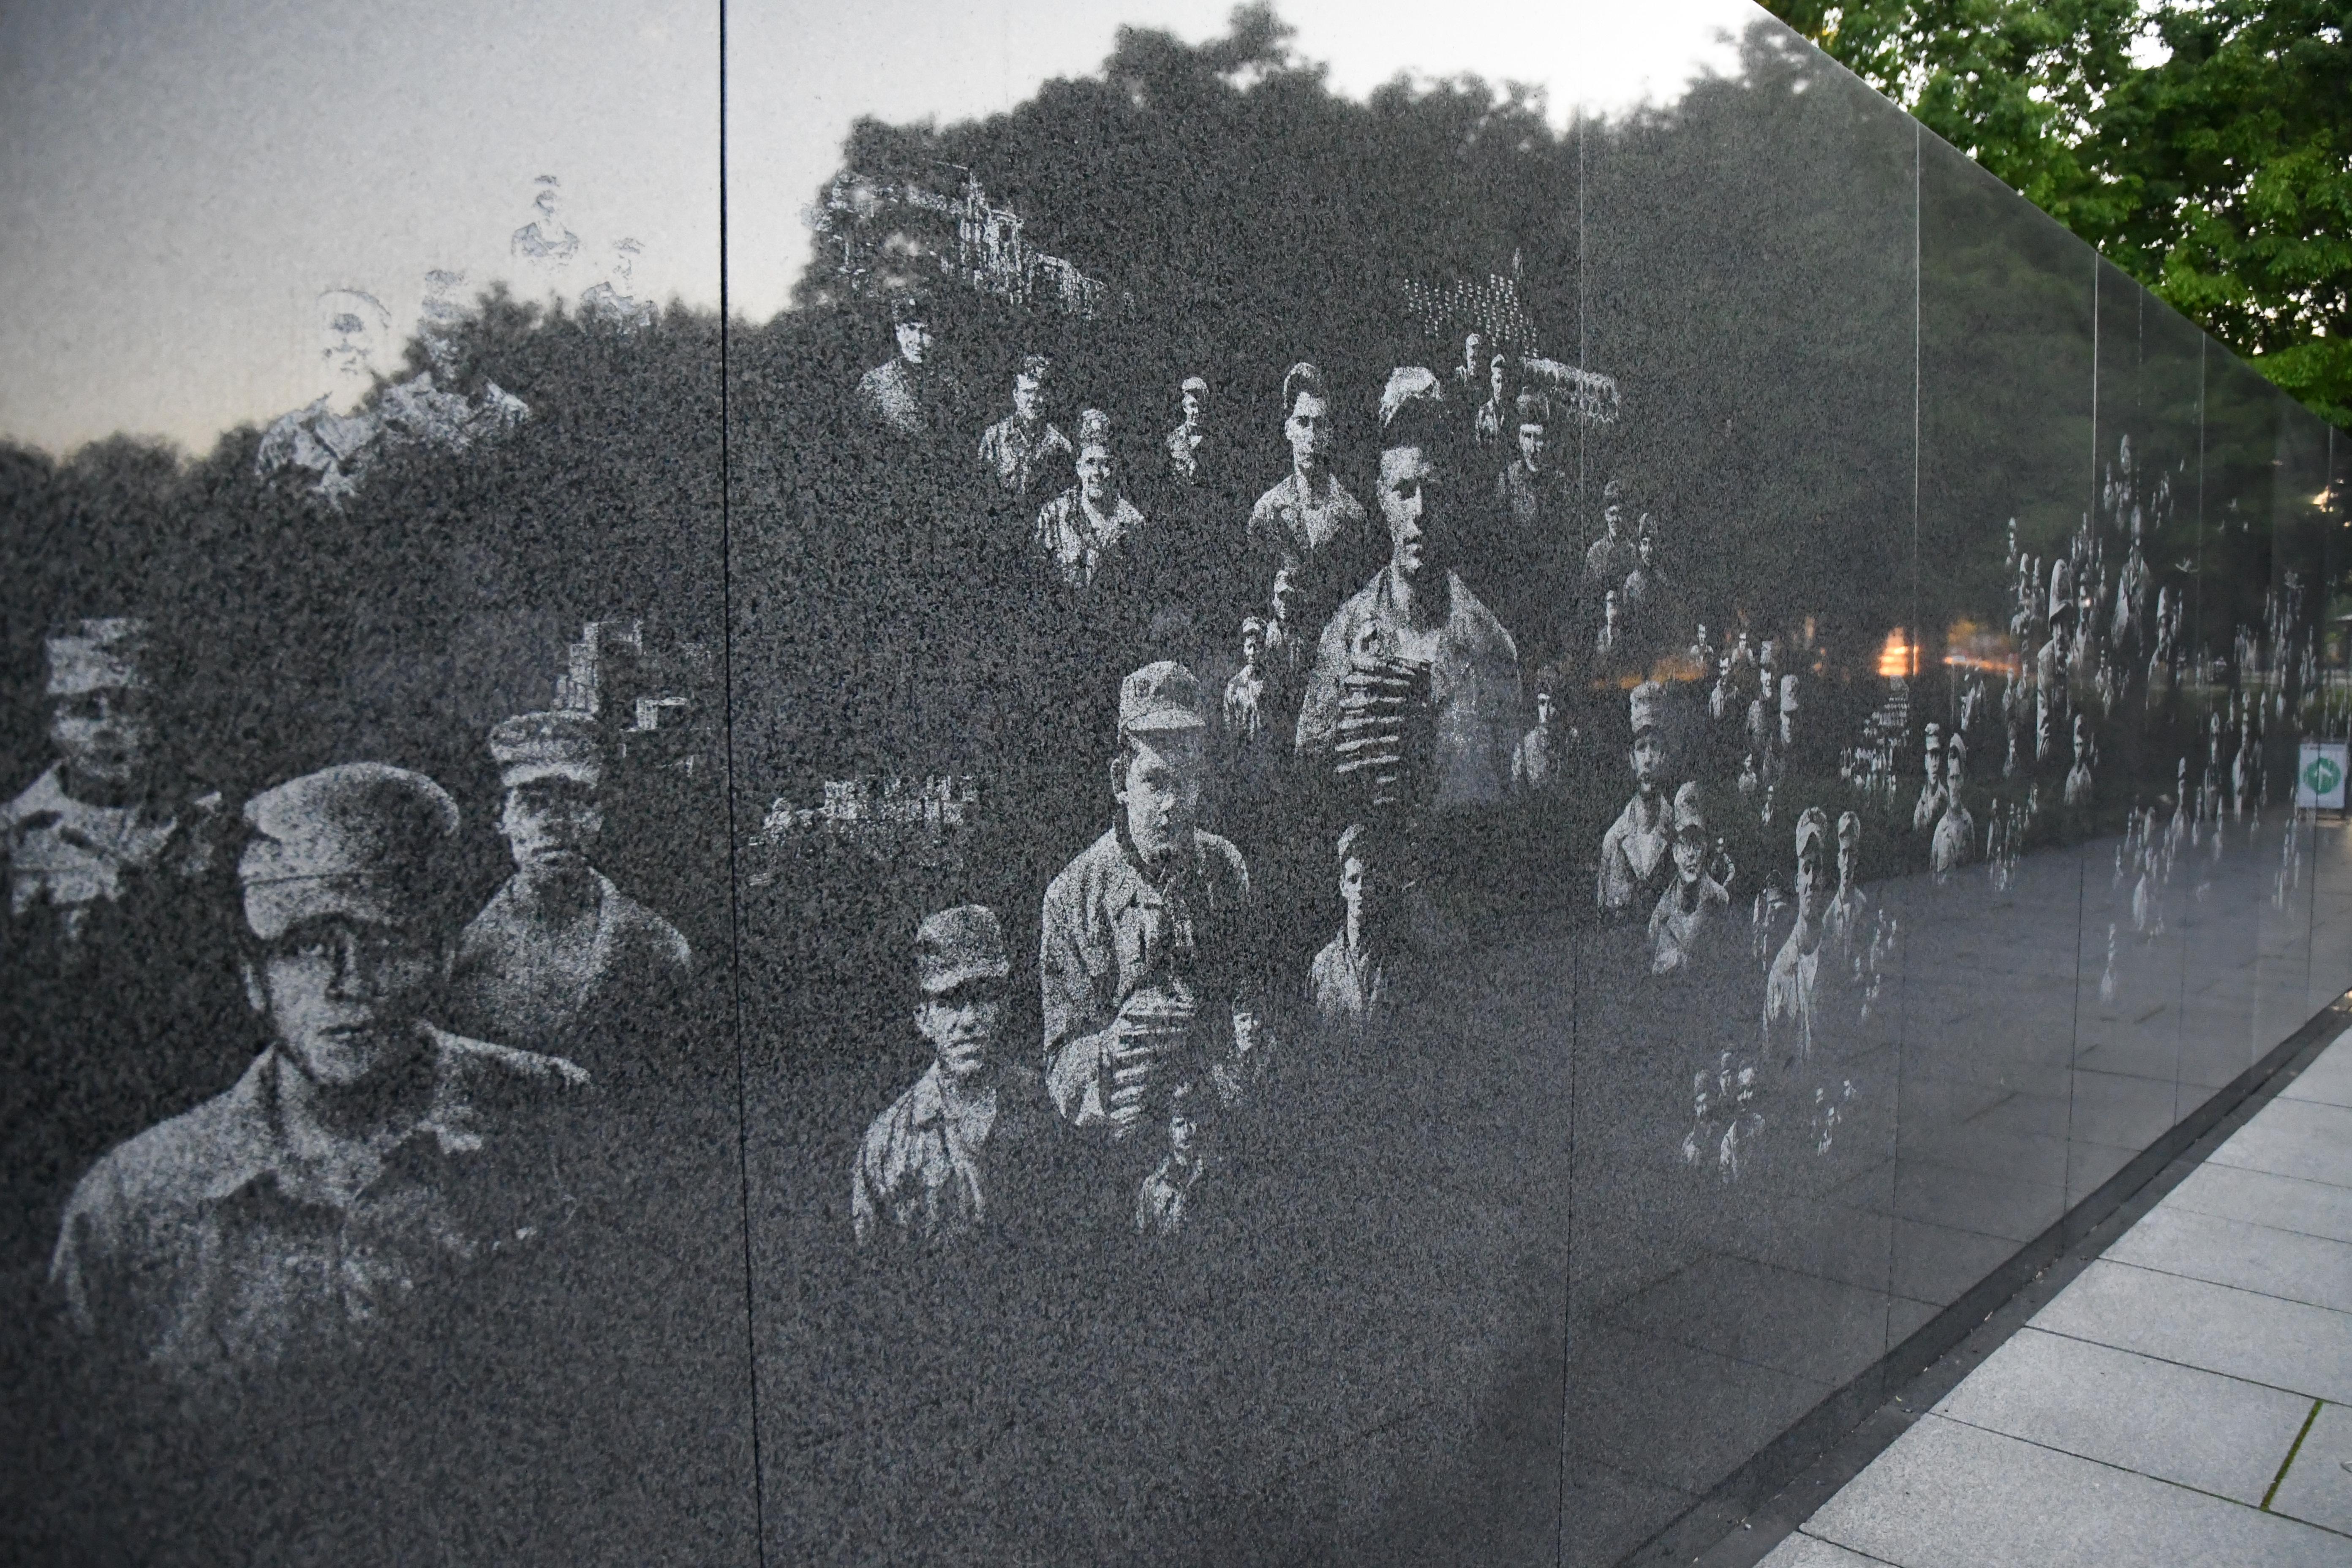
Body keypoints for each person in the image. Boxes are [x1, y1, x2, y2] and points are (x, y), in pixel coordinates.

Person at [50, 764, 589, 1385]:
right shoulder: (133, 1203)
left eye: (385, 942)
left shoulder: (554, 1115)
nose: (347, 982)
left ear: (442, 956)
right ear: (255, 978)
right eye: (305, 946)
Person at [3, 619, 240, 1274]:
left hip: (183, 1090)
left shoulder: (210, 826)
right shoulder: (18, 839)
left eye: (129, 706)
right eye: (85, 709)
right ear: (52, 722)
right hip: (52, 1106)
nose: (108, 727)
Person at [1041, 662, 1260, 1145]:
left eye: (1187, 781)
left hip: (1211, 1128)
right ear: (1121, 781)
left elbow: (1250, 1010)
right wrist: (1113, 1046)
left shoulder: (1225, 870)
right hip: (1121, 1137)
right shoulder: (1074, 894)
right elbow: (1060, 1067)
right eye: (1156, 782)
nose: (1173, 803)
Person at [1294, 367, 1521, 812]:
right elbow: (1310, 787)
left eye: (1432, 491)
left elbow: (1510, 812)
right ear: (1381, 497)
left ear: (1451, 498)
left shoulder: (1491, 646)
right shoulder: (1345, 634)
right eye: (1404, 491)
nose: (1420, 510)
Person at [443, 712, 692, 1080]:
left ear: (599, 817)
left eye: (575, 801)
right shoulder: (455, 946)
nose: (555, 821)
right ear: (502, 819)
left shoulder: (657, 945)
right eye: (533, 803)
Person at [852, 905, 1049, 1252]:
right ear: (923, 1019)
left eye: (984, 996)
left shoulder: (1047, 1109)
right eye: (950, 1002)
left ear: (1004, 1007)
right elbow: (873, 1273)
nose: (969, 1019)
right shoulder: (887, 1143)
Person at [1246, 362, 1374, 634]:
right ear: (1288, 429)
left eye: (1320, 425)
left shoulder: (1354, 518)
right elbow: (1253, 607)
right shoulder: (1266, 513)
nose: (1311, 437)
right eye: (1303, 423)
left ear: (1330, 434)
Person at [1309, 822, 1393, 1035]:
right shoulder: (1323, 966)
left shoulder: (1394, 960)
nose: (1362, 889)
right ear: (1343, 886)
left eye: (1369, 880)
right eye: (1354, 880)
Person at [1032, 432, 1145, 592]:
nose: (1097, 473)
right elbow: (1038, 575)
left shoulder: (1131, 520)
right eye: (1091, 463)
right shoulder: (1054, 514)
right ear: (1079, 467)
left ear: (1114, 468)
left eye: (1105, 464)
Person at [1763, 806, 1832, 1065]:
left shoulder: (1837, 955)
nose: (1812, 880)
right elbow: (1770, 1060)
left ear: (1826, 879)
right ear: (1796, 883)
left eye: (1818, 869)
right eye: (1806, 869)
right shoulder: (1781, 971)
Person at [1598, 681, 1673, 919]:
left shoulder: (1679, 837)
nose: (1648, 759)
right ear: (1632, 759)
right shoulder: (1614, 841)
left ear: (1664, 757)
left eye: (1655, 747)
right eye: (1641, 748)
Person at [1650, 781, 1733, 977]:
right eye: (1684, 844)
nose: (1691, 854)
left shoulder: (1720, 901)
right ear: (1675, 852)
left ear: (1706, 849)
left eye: (1697, 844)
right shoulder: (1662, 913)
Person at [858, 293, 962, 438]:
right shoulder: (875, 384)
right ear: (898, 330)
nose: (917, 341)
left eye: (925, 331)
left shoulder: (950, 382)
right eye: (911, 329)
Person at [977, 353, 1072, 502]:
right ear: (1016, 394)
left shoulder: (1059, 445)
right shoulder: (993, 440)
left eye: (1038, 393)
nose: (1033, 401)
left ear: (1047, 396)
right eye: (1027, 393)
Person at [1134, 1080, 1213, 1238]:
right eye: (1179, 1123)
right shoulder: (1153, 1186)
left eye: (1193, 1120)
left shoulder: (1213, 1177)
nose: (1188, 1130)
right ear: (1169, 1129)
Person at [1932, 734, 1978, 881]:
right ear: (1947, 780)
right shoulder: (1940, 829)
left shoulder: (1968, 824)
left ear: (1963, 780)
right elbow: (1933, 873)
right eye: (1952, 778)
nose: (1955, 787)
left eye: (1958, 778)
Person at [1584, 479, 1638, 588]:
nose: (1616, 520)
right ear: (1606, 515)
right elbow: (1586, 591)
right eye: (1612, 514)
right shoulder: (1596, 552)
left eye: (1620, 514)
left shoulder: (1634, 552)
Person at [1164, 375, 1211, 486]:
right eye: (1193, 406)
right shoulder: (1175, 438)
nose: (1197, 411)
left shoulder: (1212, 439)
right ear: (1185, 407)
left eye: (1201, 406)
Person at [1512, 687, 1560, 796]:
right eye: (1543, 703)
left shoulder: (1565, 740)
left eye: (1551, 704)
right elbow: (1517, 779)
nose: (1547, 709)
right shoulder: (1526, 741)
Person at [1470, 355, 1509, 450]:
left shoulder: (1513, 413)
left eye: (1505, 382)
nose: (1501, 387)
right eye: (1498, 381)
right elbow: (1479, 447)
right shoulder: (1483, 413)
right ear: (1492, 382)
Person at [2065, 712, 2096, 809]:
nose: (2079, 751)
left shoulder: (2089, 775)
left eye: (2081, 745)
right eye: (2077, 746)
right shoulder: (2071, 776)